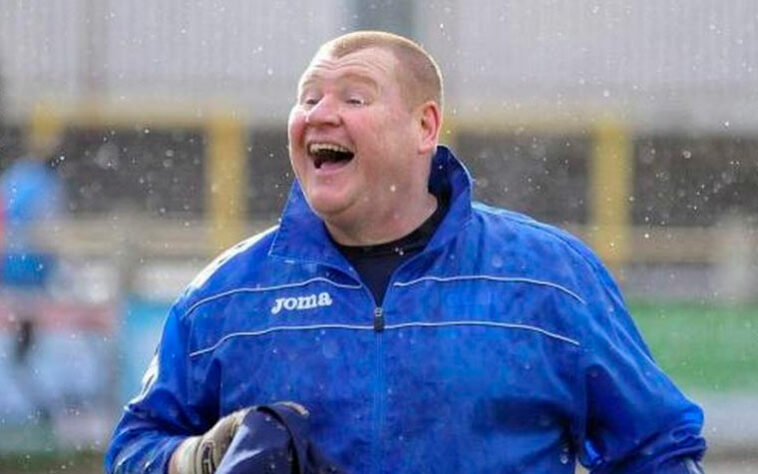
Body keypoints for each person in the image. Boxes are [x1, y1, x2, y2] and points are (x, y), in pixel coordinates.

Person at [106, 31, 707, 473]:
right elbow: (135, 450)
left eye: (355, 98)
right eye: (309, 97)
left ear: (425, 127)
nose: (321, 114)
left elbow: (658, 450)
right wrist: (202, 457)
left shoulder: (550, 280)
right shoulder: (226, 295)